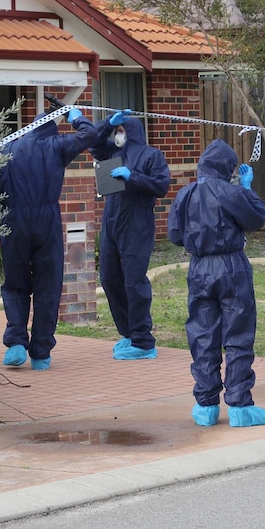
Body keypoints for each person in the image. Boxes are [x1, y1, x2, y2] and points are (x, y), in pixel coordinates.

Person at [167, 139, 265, 427]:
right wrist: (246, 188)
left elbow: (175, 235)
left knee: (202, 336)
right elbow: (257, 217)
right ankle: (239, 406)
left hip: (199, 267)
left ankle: (206, 405)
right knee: (237, 334)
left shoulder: (185, 194)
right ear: (228, 167)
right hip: (230, 265)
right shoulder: (231, 192)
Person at [0, 106, 97, 371]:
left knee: (15, 283)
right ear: (52, 127)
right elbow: (89, 134)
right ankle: (41, 352)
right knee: (48, 286)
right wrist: (77, 117)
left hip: (12, 221)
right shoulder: (56, 145)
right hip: (46, 219)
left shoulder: (7, 149)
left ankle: (15, 343)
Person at [91, 109, 171, 360]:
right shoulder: (110, 153)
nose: (118, 134)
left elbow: (161, 185)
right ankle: (128, 333)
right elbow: (93, 144)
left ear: (132, 131)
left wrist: (132, 176)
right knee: (109, 278)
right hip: (112, 221)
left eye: (122, 130)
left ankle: (144, 340)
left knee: (134, 281)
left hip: (137, 224)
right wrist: (107, 124)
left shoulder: (151, 155)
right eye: (117, 131)